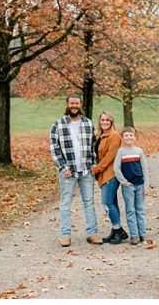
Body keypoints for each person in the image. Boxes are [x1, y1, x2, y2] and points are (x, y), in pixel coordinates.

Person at [49, 94, 102, 247]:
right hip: (68, 172)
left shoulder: (87, 123)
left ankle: (92, 233)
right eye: (71, 103)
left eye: (76, 103)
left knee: (89, 202)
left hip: (86, 171)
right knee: (66, 203)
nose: (74, 106)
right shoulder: (58, 125)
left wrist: (93, 165)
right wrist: (63, 167)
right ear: (67, 104)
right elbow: (54, 149)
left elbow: (93, 148)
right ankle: (65, 235)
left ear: (80, 104)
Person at [90, 111, 127, 244]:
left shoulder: (115, 136)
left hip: (111, 174)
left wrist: (96, 169)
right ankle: (116, 230)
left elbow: (109, 157)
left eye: (107, 120)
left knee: (106, 203)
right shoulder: (101, 135)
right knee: (113, 203)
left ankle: (119, 231)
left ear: (111, 122)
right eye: (102, 120)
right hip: (103, 174)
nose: (104, 122)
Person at [113, 126, 149, 245]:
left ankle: (142, 233)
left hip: (140, 184)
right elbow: (116, 168)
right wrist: (123, 182)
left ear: (135, 137)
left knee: (140, 209)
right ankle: (134, 235)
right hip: (128, 186)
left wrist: (146, 185)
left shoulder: (139, 151)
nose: (128, 137)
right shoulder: (121, 151)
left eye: (131, 135)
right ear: (123, 137)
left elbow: (145, 169)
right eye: (126, 136)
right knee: (130, 210)